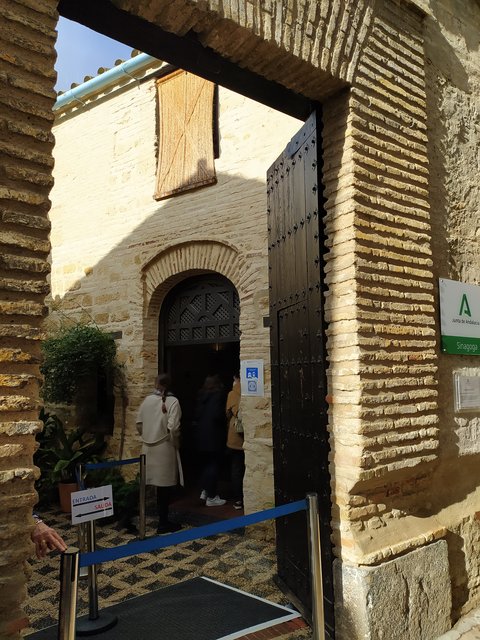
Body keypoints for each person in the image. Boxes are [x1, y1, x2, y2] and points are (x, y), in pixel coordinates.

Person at [136, 373, 183, 534]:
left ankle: (150, 519)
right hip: (164, 449)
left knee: (150, 485)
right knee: (164, 489)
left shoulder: (147, 401)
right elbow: (174, 428)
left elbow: (139, 423)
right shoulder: (173, 401)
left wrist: (146, 436)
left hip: (147, 449)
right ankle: (163, 522)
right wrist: (175, 443)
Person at [193, 375, 227, 507]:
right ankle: (211, 497)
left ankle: (205, 490)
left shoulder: (201, 395)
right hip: (214, 436)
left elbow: (197, 414)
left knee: (206, 464)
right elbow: (217, 415)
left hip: (201, 436)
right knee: (213, 465)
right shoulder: (218, 396)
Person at [226, 373, 244, 510]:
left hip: (236, 438)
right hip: (246, 436)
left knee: (236, 468)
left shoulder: (233, 393)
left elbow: (228, 413)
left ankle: (238, 498)